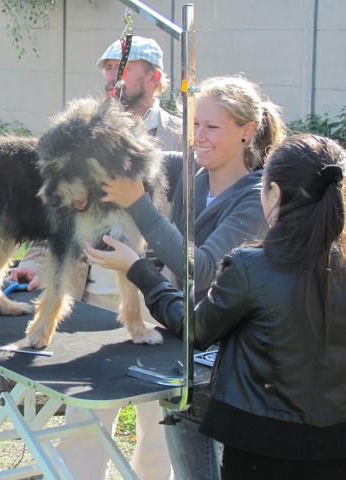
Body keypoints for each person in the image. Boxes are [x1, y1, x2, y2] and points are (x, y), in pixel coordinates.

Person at [84, 133, 346, 480]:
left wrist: (138, 270)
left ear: (274, 194)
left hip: (258, 447)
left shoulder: (250, 268)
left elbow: (195, 328)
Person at [95, 74, 287, 480]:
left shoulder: (256, 199)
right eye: (194, 124)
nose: (198, 136)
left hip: (226, 364)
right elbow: (133, 158)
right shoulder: (189, 173)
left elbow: (201, 270)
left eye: (212, 127)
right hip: (182, 339)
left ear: (246, 132)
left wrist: (138, 208)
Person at [9, 36, 182, 480]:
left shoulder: (184, 137)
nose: (109, 77)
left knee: (161, 431)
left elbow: (182, 223)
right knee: (83, 426)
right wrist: (35, 261)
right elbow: (57, 214)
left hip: (157, 302)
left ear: (155, 79)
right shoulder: (77, 136)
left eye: (121, 68)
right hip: (89, 300)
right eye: (106, 68)